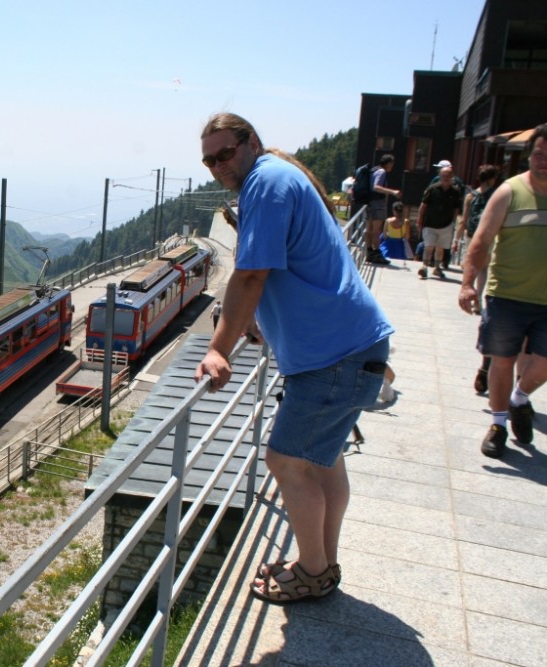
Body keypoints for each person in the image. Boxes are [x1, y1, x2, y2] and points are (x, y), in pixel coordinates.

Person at [194, 113, 394, 603]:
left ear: (251, 142)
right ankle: (321, 563)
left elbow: (250, 275)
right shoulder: (278, 177)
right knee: (323, 463)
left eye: (225, 153)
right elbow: (285, 271)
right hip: (348, 346)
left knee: (286, 462)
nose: (219, 165)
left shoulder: (264, 184)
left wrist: (218, 348)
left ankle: (311, 571)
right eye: (209, 160)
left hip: (333, 356)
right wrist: (256, 319)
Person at [459, 123, 547, 458]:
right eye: (539, 154)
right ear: (529, 155)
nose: (543, 161)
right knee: (502, 361)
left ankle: (519, 398)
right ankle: (498, 425)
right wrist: (467, 284)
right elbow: (481, 241)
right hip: (507, 295)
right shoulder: (509, 192)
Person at [460, 164, 500, 393]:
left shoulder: (471, 196)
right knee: (484, 269)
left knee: (473, 266)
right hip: (488, 237)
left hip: (471, 235)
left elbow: (465, 218)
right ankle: (479, 298)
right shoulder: (499, 196)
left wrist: (460, 234)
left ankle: (472, 292)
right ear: (492, 178)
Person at [416, 166, 462, 280]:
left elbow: (456, 209)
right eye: (443, 175)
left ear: (452, 177)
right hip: (430, 223)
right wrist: (419, 219)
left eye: (448, 175)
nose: (446, 178)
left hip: (446, 224)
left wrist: (453, 223)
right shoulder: (432, 189)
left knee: (440, 248)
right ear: (440, 176)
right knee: (429, 246)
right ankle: (424, 266)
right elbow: (423, 205)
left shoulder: (455, 192)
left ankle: (437, 268)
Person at [366, 155, 401, 265]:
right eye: (392, 163)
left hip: (369, 202)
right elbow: (376, 187)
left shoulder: (374, 170)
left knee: (369, 229)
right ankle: (377, 253)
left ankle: (369, 252)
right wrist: (392, 192)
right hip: (378, 204)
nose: (392, 166)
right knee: (376, 230)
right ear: (389, 163)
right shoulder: (382, 172)